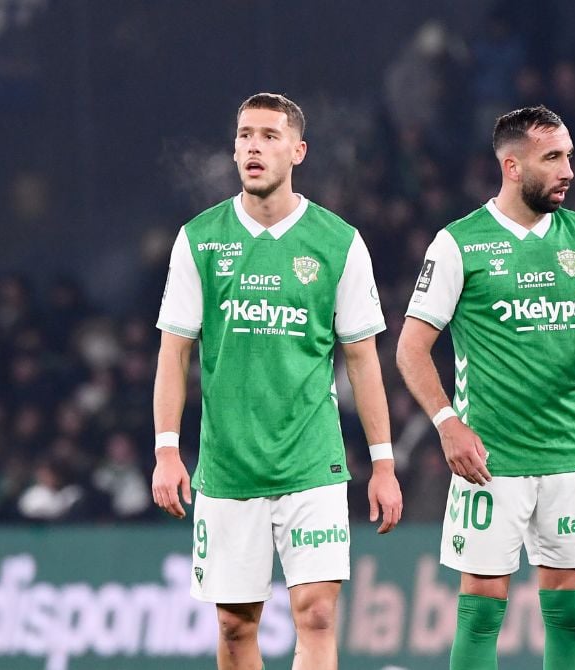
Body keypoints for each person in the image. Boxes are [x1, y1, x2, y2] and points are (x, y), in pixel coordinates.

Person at [151, 92, 402, 670]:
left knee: (315, 614)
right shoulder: (200, 239)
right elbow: (174, 351)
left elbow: (363, 359)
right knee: (236, 627)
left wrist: (384, 465)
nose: (253, 146)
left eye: (268, 135)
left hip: (311, 463)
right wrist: (167, 451)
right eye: (244, 135)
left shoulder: (338, 242)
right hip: (228, 465)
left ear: (298, 150)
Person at [396, 105, 575, 670]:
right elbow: (410, 348)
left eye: (569, 155)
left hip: (566, 452)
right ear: (512, 166)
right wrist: (447, 423)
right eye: (553, 157)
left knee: (570, 614)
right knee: (480, 612)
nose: (568, 169)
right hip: (488, 458)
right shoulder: (459, 243)